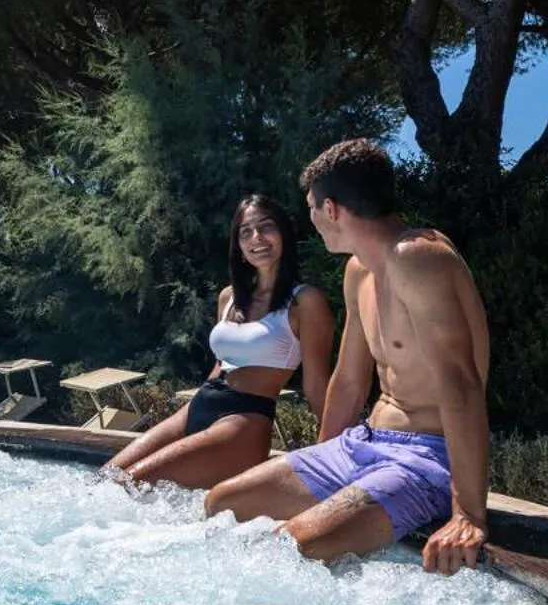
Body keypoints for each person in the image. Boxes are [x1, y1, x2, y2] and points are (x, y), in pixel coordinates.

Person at [204, 140, 490, 575]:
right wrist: (320, 461)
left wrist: (467, 514)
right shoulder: (359, 271)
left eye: (313, 209)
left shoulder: (419, 258)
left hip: (425, 459)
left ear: (332, 209)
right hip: (363, 443)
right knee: (221, 503)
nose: (312, 221)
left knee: (286, 551)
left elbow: (462, 384)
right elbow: (350, 380)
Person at [105, 194, 334, 490]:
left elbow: (316, 384)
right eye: (246, 231)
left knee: (132, 485)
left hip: (243, 421)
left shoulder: (304, 300)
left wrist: (332, 454)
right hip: (200, 406)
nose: (257, 238)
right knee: (106, 481)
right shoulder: (229, 297)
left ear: (284, 235)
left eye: (267, 227)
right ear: (238, 245)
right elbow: (221, 363)